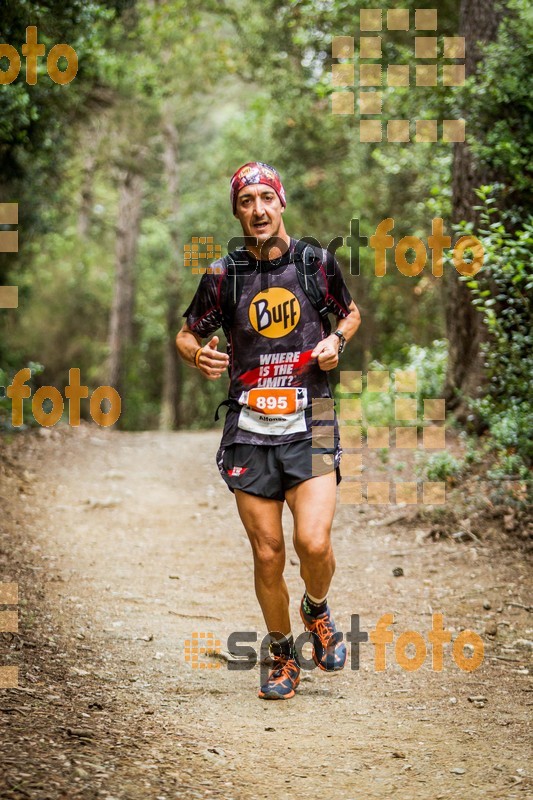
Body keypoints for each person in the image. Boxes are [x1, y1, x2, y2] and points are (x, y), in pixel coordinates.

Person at [176, 161, 361, 700]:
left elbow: (349, 314)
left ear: (281, 202)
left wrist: (336, 342)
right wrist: (198, 356)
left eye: (265, 198)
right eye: (246, 201)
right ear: (237, 211)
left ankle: (316, 609)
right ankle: (282, 654)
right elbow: (187, 334)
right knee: (267, 553)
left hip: (315, 419)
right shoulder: (222, 275)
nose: (257, 209)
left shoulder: (315, 263)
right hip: (249, 426)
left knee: (314, 541)